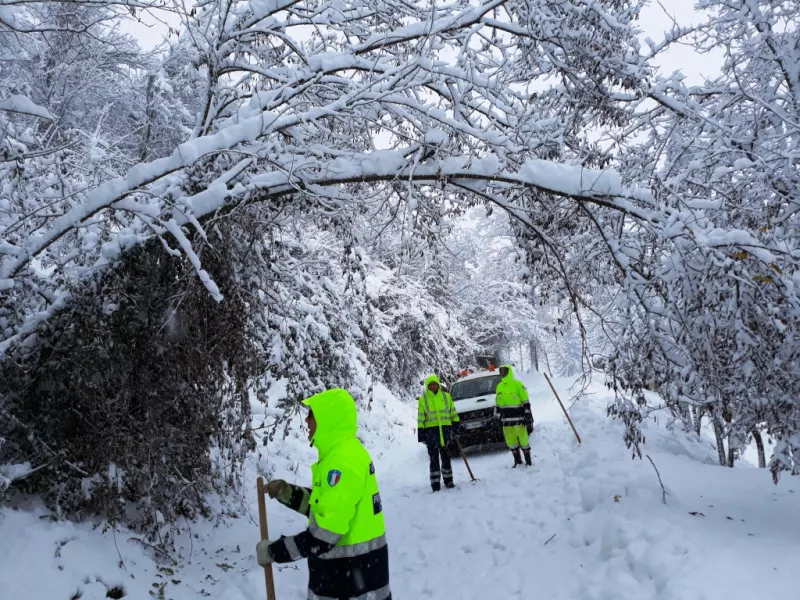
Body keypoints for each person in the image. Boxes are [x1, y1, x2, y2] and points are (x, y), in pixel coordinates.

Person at [255, 389, 391, 600]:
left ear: (328, 418)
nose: (307, 421)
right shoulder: (339, 455)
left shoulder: (342, 462)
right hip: (350, 578)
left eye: (311, 415)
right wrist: (288, 493)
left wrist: (274, 552)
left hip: (350, 585)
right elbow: (326, 508)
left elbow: (324, 535)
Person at [417, 374, 460, 491]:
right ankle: (435, 484)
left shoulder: (446, 396)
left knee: (446, 457)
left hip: (445, 431)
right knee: (434, 459)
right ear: (427, 386)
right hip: (431, 433)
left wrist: (456, 426)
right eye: (430, 384)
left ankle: (449, 481)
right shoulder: (423, 399)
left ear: (438, 385)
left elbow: (453, 412)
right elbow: (421, 417)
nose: (432, 386)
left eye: (434, 384)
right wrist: (421, 434)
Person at [495, 364, 533, 467]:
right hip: (506, 421)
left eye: (505, 371)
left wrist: (527, 414)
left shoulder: (517, 384)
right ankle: (517, 461)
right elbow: (498, 404)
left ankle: (528, 461)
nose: (503, 373)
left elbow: (525, 401)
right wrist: (497, 417)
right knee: (511, 441)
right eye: (501, 371)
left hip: (518, 419)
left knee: (523, 440)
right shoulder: (499, 386)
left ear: (509, 371)